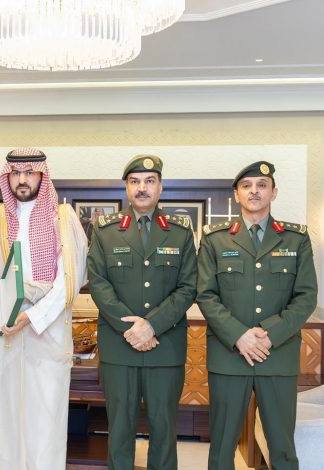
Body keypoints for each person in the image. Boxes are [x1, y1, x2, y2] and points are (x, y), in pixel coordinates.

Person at [0, 147, 88, 470]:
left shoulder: (64, 220)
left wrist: (31, 316)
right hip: (3, 332)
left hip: (46, 331)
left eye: (29, 172)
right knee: (2, 414)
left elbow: (70, 281)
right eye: (16, 173)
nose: (22, 179)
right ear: (7, 177)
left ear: (42, 175)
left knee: (43, 417)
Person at [197, 161, 317, 470]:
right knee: (222, 448)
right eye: (246, 186)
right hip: (229, 356)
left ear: (273, 193)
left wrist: (269, 335)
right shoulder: (215, 238)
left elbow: (306, 297)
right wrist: (239, 335)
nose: (254, 191)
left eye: (262, 185)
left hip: (277, 355)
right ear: (236, 194)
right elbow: (206, 294)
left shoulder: (296, 239)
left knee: (282, 448)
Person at [87, 154, 197, 470]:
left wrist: (151, 326)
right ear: (126, 188)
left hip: (165, 347)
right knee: (119, 430)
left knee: (164, 429)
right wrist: (132, 329)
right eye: (135, 181)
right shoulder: (105, 230)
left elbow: (188, 287)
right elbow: (99, 284)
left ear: (160, 187)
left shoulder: (180, 231)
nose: (142, 188)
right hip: (119, 347)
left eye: (149, 181)